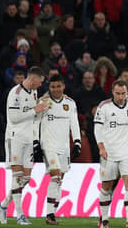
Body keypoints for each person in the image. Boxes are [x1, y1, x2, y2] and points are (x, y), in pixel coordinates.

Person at [0, 67, 50, 225]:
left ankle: (3, 205)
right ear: (33, 79)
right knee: (18, 177)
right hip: (15, 138)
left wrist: (42, 107)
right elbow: (13, 117)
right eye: (39, 82)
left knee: (25, 178)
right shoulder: (16, 93)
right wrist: (35, 110)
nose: (40, 86)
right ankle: (20, 215)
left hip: (28, 139)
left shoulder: (33, 93)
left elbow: (33, 115)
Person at [94, 80, 128, 228]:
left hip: (127, 152)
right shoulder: (104, 107)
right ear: (112, 92)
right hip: (109, 153)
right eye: (118, 94)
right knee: (107, 186)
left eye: (123, 94)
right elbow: (97, 128)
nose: (121, 97)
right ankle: (104, 219)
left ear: (127, 93)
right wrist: (101, 147)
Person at [34, 74, 81, 224]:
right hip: (48, 145)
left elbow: (74, 123)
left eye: (58, 86)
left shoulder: (70, 103)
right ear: (49, 87)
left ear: (63, 86)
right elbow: (35, 123)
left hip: (64, 147)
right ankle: (49, 215)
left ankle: (53, 209)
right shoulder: (43, 101)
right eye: (53, 86)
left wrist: (77, 142)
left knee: (60, 179)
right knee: (55, 176)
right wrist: (36, 142)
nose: (55, 89)